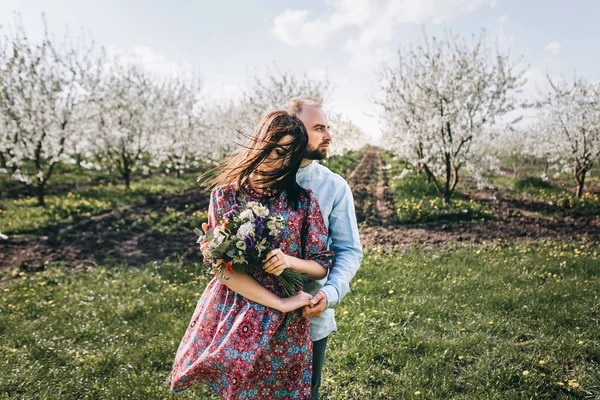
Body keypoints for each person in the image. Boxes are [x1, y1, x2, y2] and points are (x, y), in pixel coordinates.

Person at [170, 111, 334, 399]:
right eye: (278, 151)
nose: (283, 161)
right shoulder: (225, 196)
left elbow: (322, 265)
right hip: (237, 310)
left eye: (292, 155)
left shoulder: (302, 200)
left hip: (287, 323)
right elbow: (221, 268)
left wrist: (288, 262)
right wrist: (279, 302)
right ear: (262, 144)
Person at [284, 98, 363, 400]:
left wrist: (329, 294)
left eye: (328, 128)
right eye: (319, 128)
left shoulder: (333, 186)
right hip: (256, 314)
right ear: (291, 131)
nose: (328, 136)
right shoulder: (260, 180)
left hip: (309, 316)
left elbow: (348, 250)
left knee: (306, 393)